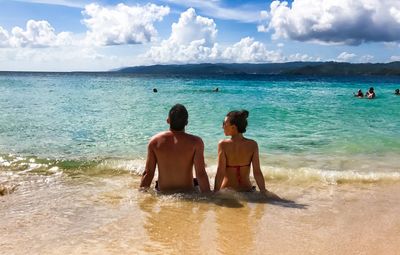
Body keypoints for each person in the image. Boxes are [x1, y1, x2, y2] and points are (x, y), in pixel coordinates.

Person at [140, 104, 211, 193]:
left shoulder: (154, 141)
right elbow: (200, 174)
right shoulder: (196, 142)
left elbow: (148, 173)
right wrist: (209, 197)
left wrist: (141, 196)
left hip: (163, 191)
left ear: (168, 120)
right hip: (187, 192)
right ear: (186, 123)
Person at [214, 110, 271, 195]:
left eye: (224, 124)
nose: (222, 127)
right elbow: (257, 172)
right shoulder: (252, 144)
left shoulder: (223, 144)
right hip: (248, 191)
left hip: (228, 192)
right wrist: (263, 191)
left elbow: (220, 172)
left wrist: (215, 192)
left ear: (233, 127)